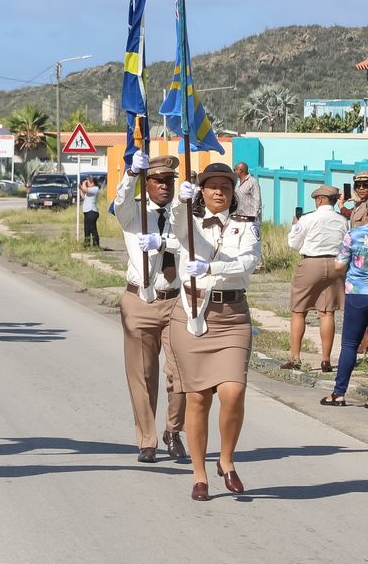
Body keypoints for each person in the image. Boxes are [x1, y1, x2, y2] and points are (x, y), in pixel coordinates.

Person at [166, 163, 261, 501]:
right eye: (211, 186)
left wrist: (212, 266)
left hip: (233, 315)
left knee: (234, 392)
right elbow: (176, 224)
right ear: (202, 191)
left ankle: (227, 459)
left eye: (225, 186)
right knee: (198, 398)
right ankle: (200, 474)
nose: (219, 191)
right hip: (193, 315)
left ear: (234, 192)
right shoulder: (189, 225)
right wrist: (181, 200)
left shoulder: (245, 226)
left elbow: (249, 261)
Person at [113, 153, 187, 463]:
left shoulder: (183, 213)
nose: (165, 186)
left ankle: (174, 430)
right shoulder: (134, 212)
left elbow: (193, 241)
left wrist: (167, 240)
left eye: (170, 180)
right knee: (142, 375)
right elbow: (120, 200)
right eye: (158, 180)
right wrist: (131, 172)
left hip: (177, 300)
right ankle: (147, 439)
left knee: (181, 373)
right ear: (148, 182)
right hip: (141, 300)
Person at [323, 195, 368, 410]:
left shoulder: (353, 234)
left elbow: (339, 265)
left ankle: (339, 393)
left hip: (358, 292)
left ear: (367, 213)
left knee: (349, 344)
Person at [284, 186, 348, 372]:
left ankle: (295, 357)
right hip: (336, 264)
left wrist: (295, 226)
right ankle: (326, 360)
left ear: (319, 200)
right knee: (327, 312)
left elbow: (293, 244)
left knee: (299, 310)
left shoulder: (308, 218)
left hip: (312, 263)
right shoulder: (342, 220)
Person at [232, 162, 263, 235]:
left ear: (241, 170)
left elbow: (257, 199)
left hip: (250, 219)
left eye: (235, 170)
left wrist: (255, 217)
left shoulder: (252, 181)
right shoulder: (238, 182)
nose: (234, 172)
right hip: (239, 217)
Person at [81, 177, 102, 248]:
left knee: (92, 229)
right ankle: (86, 244)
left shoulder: (95, 189)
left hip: (92, 211)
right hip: (87, 211)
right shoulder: (90, 190)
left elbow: (85, 189)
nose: (87, 183)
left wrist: (84, 183)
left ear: (93, 183)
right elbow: (84, 196)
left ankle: (96, 244)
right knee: (87, 229)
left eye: (89, 182)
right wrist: (81, 189)